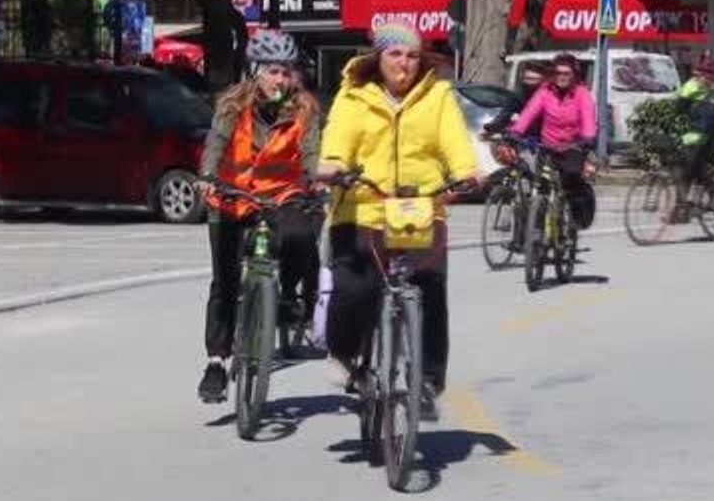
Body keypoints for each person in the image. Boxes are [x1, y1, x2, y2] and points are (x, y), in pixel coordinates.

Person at [318, 22, 480, 420]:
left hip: (420, 209)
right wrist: (333, 167)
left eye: (411, 56)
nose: (404, 64)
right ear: (379, 58)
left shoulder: (437, 95)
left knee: (431, 289)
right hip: (362, 207)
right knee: (355, 288)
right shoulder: (353, 95)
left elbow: (454, 142)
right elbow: (338, 141)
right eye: (395, 54)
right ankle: (343, 351)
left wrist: (467, 171)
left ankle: (426, 379)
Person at [196, 28, 323, 403]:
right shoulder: (231, 106)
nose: (280, 80)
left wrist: (320, 180)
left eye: (286, 72)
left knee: (301, 236)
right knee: (225, 283)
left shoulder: (305, 109)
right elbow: (214, 147)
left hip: (279, 196)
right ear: (255, 72)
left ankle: (284, 299)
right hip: (231, 197)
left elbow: (312, 154)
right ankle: (217, 363)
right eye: (272, 72)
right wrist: (207, 177)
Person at [510, 53, 598, 230]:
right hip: (548, 146)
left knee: (571, 176)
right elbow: (529, 112)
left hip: (573, 145)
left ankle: (574, 217)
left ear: (574, 75)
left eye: (566, 73)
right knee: (537, 183)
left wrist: (588, 137)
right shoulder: (545, 92)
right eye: (558, 73)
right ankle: (534, 229)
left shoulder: (582, 94)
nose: (562, 77)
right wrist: (516, 131)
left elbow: (588, 118)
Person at [672, 52, 714, 223]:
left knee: (688, 168)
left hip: (703, 138)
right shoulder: (711, 89)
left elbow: (679, 108)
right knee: (688, 170)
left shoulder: (697, 88)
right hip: (705, 137)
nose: (701, 77)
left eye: (703, 74)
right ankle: (682, 209)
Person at [483, 60, 549, 137]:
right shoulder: (519, 93)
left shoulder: (549, 93)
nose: (530, 75)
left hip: (547, 135)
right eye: (528, 71)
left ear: (544, 76)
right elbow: (507, 111)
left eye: (535, 71)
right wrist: (495, 125)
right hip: (524, 134)